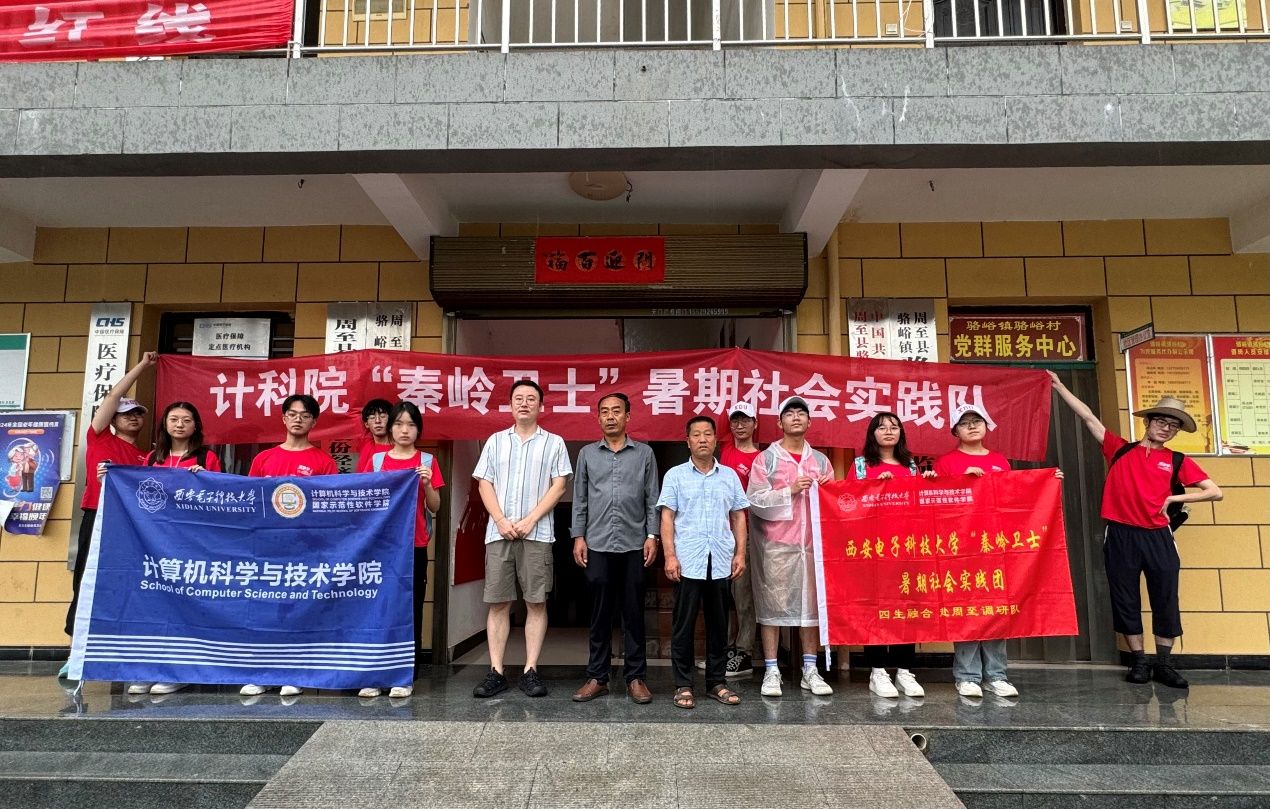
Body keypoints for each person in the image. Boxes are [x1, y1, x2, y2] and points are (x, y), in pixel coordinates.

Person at [1050, 373, 1222, 689]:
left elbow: (1214, 491)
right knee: (1125, 597)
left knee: (1165, 597)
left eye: (1173, 425)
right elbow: (1088, 417)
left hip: (1158, 536)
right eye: (1161, 421)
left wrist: (1174, 498)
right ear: (1148, 422)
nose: (1166, 428)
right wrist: (1060, 386)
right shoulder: (1120, 449)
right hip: (1121, 534)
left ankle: (1164, 664)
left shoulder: (1177, 460)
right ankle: (1139, 660)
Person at [934, 404, 1062, 700]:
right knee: (966, 609)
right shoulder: (946, 463)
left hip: (995, 545)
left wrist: (1048, 482)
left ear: (987, 426)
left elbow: (1015, 497)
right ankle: (966, 676)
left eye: (977, 420)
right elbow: (937, 503)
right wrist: (961, 481)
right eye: (964, 422)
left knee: (995, 609)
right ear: (955, 431)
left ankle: (996, 675)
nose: (972, 426)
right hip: (962, 547)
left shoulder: (999, 461)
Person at [471, 379, 571, 699]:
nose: (524, 403)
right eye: (518, 398)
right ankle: (496, 671)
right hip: (498, 533)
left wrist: (529, 520)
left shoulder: (554, 442)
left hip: (537, 534)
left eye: (530, 398)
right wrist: (501, 520)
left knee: (536, 602)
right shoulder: (495, 441)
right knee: (498, 602)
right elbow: (484, 483)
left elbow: (559, 486)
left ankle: (530, 670)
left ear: (541, 406)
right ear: (510, 405)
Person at [61, 352, 156, 679]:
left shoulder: (145, 457)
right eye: (126, 413)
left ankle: (119, 651)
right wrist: (143, 366)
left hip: (128, 527)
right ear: (112, 418)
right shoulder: (99, 437)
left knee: (124, 583)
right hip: (96, 517)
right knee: (86, 581)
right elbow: (114, 394)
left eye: (138, 414)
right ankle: (75, 654)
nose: (133, 417)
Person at [241, 393, 338, 699]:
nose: (298, 419)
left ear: (314, 422)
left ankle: (295, 673)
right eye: (293, 414)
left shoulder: (324, 462)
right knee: (265, 611)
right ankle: (262, 673)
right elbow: (250, 501)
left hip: (305, 551)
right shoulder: (263, 459)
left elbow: (329, 509)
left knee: (298, 610)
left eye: (305, 415)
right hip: (268, 549)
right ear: (283, 418)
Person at [127, 401, 223, 697]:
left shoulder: (207, 457)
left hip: (192, 546)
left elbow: (221, 500)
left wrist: (206, 480)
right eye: (174, 419)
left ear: (196, 426)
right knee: (154, 607)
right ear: (165, 424)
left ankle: (179, 670)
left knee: (184, 607)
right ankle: (149, 668)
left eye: (186, 420)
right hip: (155, 545)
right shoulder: (151, 458)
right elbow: (136, 495)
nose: (179, 424)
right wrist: (110, 478)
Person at [570, 393, 659, 705]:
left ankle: (635, 678)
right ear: (598, 418)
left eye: (616, 411)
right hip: (597, 543)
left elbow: (652, 498)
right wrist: (578, 536)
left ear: (628, 416)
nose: (610, 416)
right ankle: (598, 677)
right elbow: (580, 498)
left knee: (634, 612)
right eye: (604, 412)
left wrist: (652, 535)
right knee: (599, 614)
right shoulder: (587, 454)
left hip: (635, 543)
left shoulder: (645, 454)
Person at [657, 416, 749, 709]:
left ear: (715, 439)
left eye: (707, 434)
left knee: (719, 625)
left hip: (720, 559)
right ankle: (683, 684)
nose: (702, 439)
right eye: (696, 435)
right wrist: (670, 555)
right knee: (683, 625)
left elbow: (738, 516)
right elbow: (667, 517)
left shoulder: (729, 476)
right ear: (688, 441)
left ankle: (716, 682)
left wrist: (740, 554)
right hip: (688, 560)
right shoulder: (675, 475)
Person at [747, 396, 836, 699]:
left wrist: (827, 490)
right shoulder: (767, 459)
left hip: (812, 546)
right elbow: (755, 500)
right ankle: (772, 669)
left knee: (812, 607)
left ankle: (810, 669)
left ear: (809, 422)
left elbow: (834, 503)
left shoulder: (820, 461)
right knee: (771, 606)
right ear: (779, 422)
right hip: (777, 546)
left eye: (801, 413)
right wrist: (790, 490)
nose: (796, 417)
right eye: (789, 414)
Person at [357, 401, 444, 700]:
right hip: (379, 549)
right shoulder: (377, 461)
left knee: (411, 610)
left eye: (411, 424)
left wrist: (427, 484)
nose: (404, 430)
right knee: (376, 609)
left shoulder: (427, 461)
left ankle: (404, 676)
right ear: (391, 428)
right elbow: (363, 500)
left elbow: (435, 506)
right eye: (399, 424)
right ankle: (374, 674)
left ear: (419, 429)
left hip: (414, 546)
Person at [852, 411, 934, 699]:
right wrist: (874, 487)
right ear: (872, 434)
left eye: (894, 427)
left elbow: (923, 505)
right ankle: (877, 670)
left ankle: (904, 670)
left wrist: (930, 483)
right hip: (874, 549)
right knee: (875, 609)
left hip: (907, 548)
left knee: (907, 608)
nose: (888, 431)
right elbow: (849, 504)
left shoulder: (911, 466)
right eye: (882, 427)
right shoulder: (861, 466)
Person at [716, 401, 761, 677]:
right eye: (735, 420)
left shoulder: (762, 458)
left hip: (748, 530)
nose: (740, 425)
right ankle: (725, 650)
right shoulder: (725, 449)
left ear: (755, 424)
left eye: (746, 420)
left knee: (743, 594)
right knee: (724, 593)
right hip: (721, 531)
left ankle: (744, 652)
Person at [353, 398, 393, 472]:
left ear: (391, 421)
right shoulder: (366, 446)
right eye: (372, 417)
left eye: (383, 416)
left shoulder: (400, 448)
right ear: (366, 424)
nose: (377, 421)